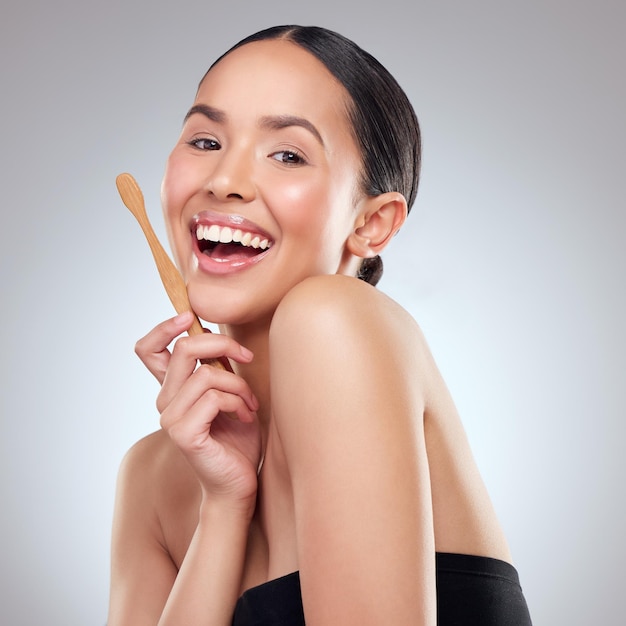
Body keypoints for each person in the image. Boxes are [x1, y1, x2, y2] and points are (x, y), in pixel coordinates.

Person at [107, 25, 533, 626]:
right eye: (205, 140)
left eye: (287, 154)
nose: (224, 179)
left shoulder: (334, 320)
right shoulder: (153, 477)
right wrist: (225, 507)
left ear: (373, 224)